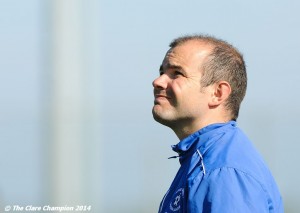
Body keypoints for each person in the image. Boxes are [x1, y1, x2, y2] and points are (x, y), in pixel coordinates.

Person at [152, 34, 283, 213]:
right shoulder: (204, 160)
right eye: (162, 73)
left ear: (218, 93)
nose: (158, 81)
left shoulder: (224, 172)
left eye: (177, 73)